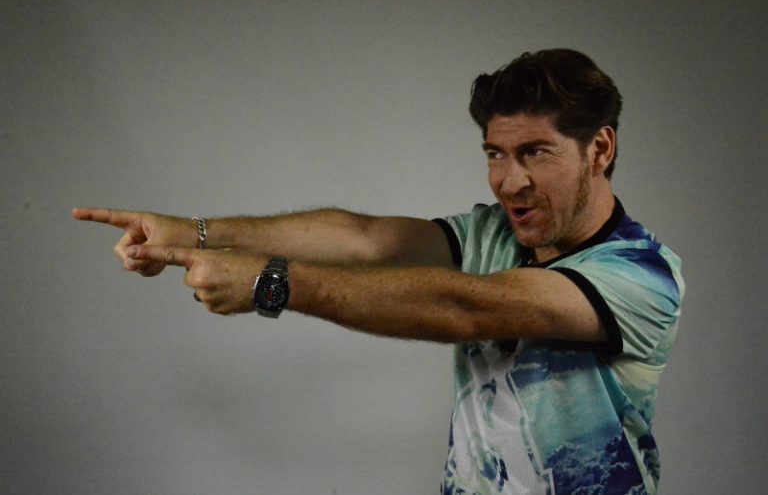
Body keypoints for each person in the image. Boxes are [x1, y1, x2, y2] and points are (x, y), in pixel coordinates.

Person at [73, 49, 684, 495]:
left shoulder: (640, 274)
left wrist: (270, 282)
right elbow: (362, 239)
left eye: (535, 153)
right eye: (496, 154)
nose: (509, 181)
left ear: (599, 149)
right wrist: (192, 231)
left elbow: (469, 308)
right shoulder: (492, 233)